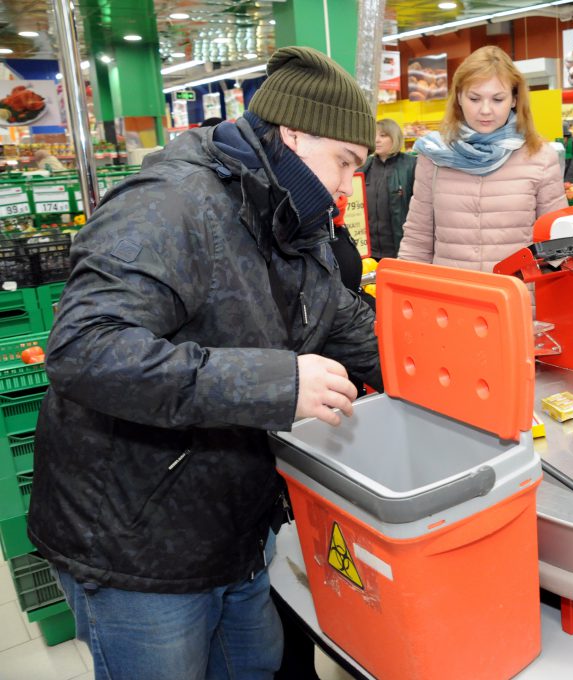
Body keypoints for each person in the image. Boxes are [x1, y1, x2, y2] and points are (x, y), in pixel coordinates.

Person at [28, 46, 382, 680]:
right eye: (345, 162)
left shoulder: (292, 219)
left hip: (235, 528)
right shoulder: (172, 203)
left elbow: (341, 319)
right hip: (138, 544)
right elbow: (84, 349)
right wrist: (277, 384)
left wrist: (463, 364)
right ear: (294, 134)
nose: (345, 186)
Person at [398, 46, 567, 271]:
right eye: (474, 98)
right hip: (450, 290)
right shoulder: (434, 156)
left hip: (516, 291)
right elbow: (417, 237)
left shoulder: (540, 156)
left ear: (514, 99)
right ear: (459, 97)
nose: (485, 110)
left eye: (497, 99)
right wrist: (404, 284)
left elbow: (557, 244)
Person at [359, 118, 416, 259]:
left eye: (383, 135)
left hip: (400, 251)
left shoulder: (412, 165)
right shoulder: (364, 166)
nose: (376, 140)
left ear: (394, 137)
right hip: (369, 252)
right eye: (374, 135)